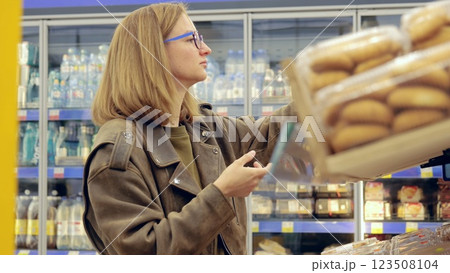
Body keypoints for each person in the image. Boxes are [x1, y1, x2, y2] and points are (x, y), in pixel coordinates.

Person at [83, 2, 296, 254]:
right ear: (153, 52)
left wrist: (324, 93)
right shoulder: (117, 152)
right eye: (191, 40)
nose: (206, 49)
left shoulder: (203, 127)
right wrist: (221, 193)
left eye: (201, 39)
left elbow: (270, 132)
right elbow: (145, 252)